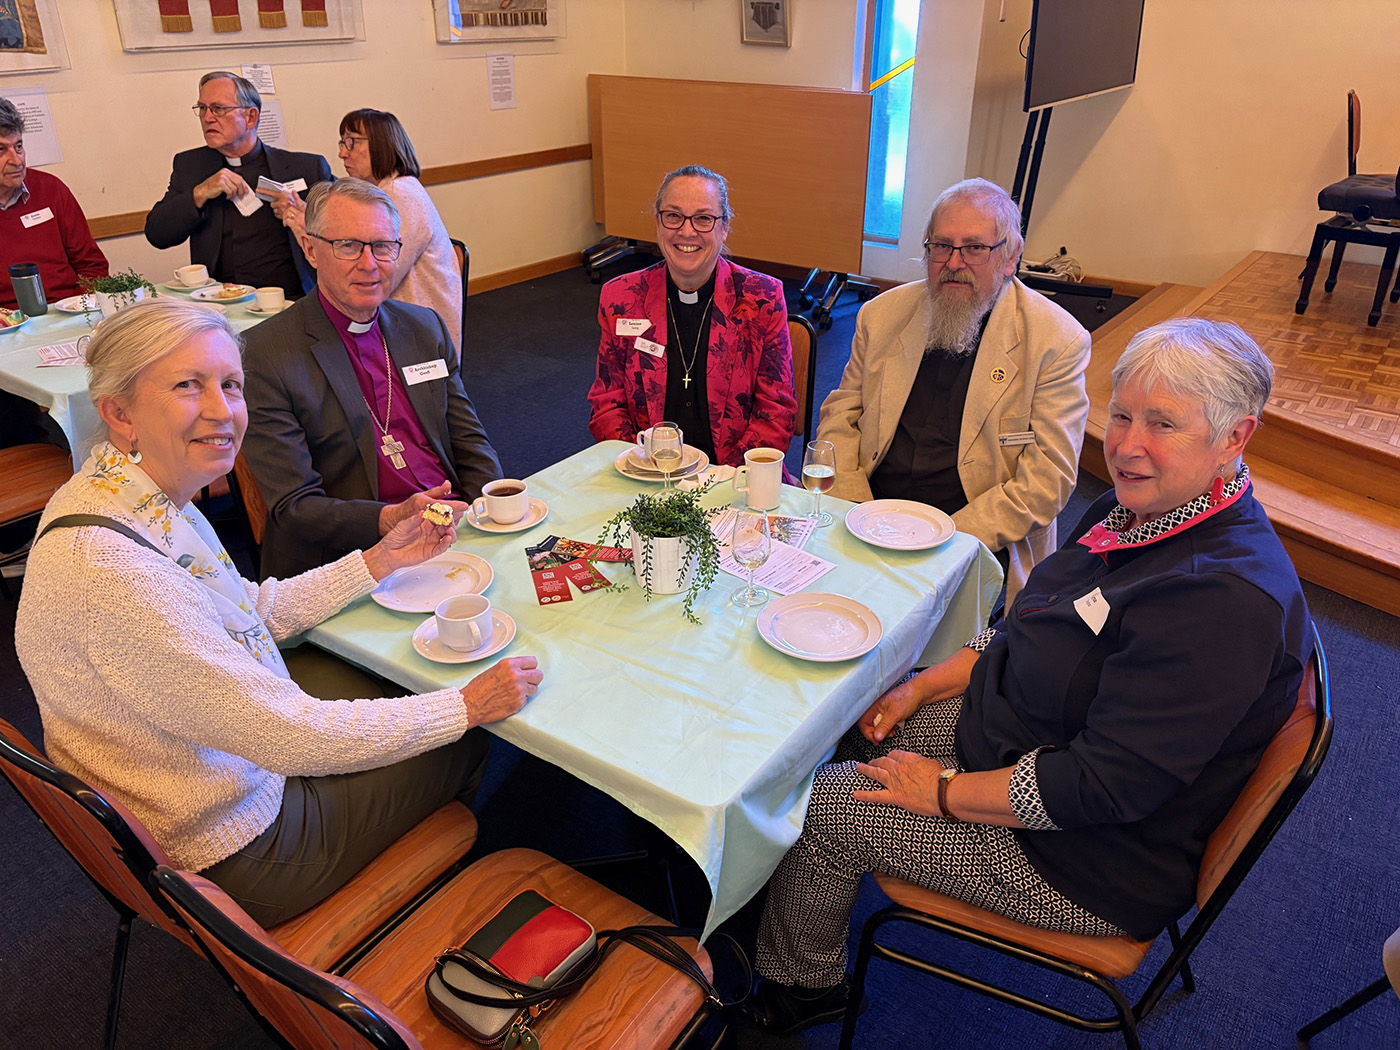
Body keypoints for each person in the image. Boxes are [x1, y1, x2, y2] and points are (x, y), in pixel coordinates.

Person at [749, 317, 1311, 1033]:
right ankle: (802, 898)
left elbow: (1102, 787)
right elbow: (1027, 622)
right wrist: (919, 687)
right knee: (850, 712)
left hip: (1079, 854)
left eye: (1163, 424)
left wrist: (943, 792)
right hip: (1027, 729)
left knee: (826, 807)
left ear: (1237, 437)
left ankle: (801, 988)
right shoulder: (1140, 510)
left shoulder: (1222, 600)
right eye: (1124, 414)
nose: (1128, 445)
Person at [13, 298, 542, 927]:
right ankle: (427, 914)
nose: (222, 411)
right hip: (230, 848)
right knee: (466, 734)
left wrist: (377, 560)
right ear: (118, 413)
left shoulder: (130, 494)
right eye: (188, 385)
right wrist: (467, 708)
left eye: (231, 385)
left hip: (197, 766)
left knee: (399, 684)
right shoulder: (113, 572)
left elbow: (247, 608)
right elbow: (293, 736)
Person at [816, 178, 1090, 602]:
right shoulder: (881, 315)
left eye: (975, 248)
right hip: (868, 514)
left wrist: (938, 541)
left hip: (973, 536)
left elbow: (1047, 481)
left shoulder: (1055, 340)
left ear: (1010, 257)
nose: (954, 262)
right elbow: (841, 418)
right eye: (941, 246)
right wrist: (856, 511)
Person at [241, 178, 502, 580]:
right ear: (311, 249)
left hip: (453, 526)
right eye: (348, 245)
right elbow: (295, 505)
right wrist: (391, 518)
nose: (370, 264)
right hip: (358, 555)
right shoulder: (265, 354)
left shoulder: (423, 327)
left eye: (383, 246)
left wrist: (487, 508)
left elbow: (468, 439)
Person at [586, 165, 797, 468]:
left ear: (724, 228)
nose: (687, 231)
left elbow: (776, 411)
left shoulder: (761, 298)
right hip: (645, 475)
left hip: (734, 479)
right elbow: (607, 402)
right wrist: (638, 464)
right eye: (673, 216)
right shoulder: (622, 297)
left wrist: (726, 478)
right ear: (658, 223)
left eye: (703, 219)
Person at [144, 72, 332, 298]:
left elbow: (348, 230)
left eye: (218, 109)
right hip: (217, 304)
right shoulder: (191, 166)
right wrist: (199, 194)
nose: (207, 118)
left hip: (289, 302)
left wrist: (303, 216)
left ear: (251, 117)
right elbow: (157, 234)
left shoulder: (306, 168)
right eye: (202, 108)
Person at [332, 109, 463, 351]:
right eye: (342, 142)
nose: (342, 153)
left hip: (420, 332)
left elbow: (377, 278)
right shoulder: (387, 191)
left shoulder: (399, 193)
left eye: (352, 142)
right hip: (401, 319)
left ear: (381, 144)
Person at [0, 97, 108, 310]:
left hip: (67, 311)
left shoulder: (51, 189)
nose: (17, 160)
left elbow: (92, 266)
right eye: (1, 150)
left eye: (18, 146)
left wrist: (78, 309)